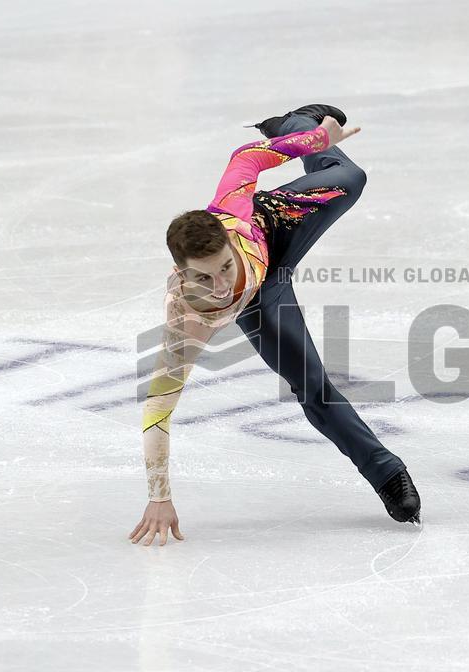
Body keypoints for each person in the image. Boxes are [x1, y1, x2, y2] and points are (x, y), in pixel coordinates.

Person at [129, 104, 421, 547]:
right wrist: (159, 497)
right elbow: (156, 412)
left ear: (228, 238)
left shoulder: (233, 206)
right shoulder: (188, 320)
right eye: (204, 277)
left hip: (275, 226)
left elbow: (248, 156)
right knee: (312, 386)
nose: (221, 285)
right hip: (264, 296)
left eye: (224, 268)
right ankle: (386, 471)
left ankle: (297, 118)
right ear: (181, 270)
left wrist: (318, 140)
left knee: (353, 178)